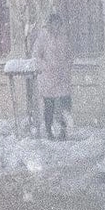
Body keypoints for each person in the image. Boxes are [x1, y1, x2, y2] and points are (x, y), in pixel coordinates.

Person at [33, 11, 73, 140]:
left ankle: (63, 130)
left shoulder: (64, 38)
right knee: (49, 105)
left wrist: (66, 67)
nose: (56, 27)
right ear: (49, 24)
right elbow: (37, 56)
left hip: (62, 76)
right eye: (54, 24)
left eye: (58, 24)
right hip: (48, 77)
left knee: (64, 104)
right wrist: (47, 66)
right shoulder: (42, 38)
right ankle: (49, 130)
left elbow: (69, 55)